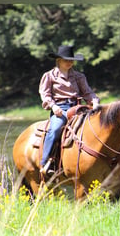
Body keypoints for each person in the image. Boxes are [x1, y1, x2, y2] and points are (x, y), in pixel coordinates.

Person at [39, 45, 100, 175]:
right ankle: (45, 163)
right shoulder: (49, 76)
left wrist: (94, 101)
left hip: (78, 107)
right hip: (60, 108)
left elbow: (88, 93)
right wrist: (53, 106)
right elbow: (45, 95)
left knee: (98, 126)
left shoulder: (79, 76)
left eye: (71, 60)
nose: (70, 62)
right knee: (55, 129)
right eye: (66, 60)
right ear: (58, 60)